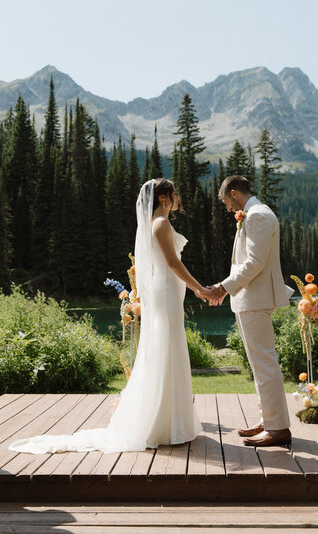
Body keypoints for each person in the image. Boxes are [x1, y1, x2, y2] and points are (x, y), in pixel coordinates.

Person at [9, 178, 206, 454]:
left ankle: (171, 422)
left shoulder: (159, 223)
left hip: (167, 293)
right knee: (167, 348)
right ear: (162, 198)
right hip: (165, 293)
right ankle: (165, 424)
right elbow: (173, 263)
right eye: (174, 194)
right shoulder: (160, 224)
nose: (178, 198)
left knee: (167, 348)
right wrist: (200, 288)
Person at [207, 175, 294, 447]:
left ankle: (278, 429)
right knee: (259, 365)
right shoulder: (256, 213)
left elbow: (254, 263)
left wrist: (223, 287)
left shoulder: (257, 216)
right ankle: (268, 420)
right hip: (250, 299)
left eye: (227, 202)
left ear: (234, 193)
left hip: (255, 299)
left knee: (265, 363)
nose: (228, 209)